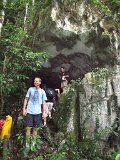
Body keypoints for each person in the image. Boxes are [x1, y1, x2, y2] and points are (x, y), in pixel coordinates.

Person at [22, 77, 47, 147]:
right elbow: (26, 99)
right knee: (28, 128)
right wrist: (24, 109)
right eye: (34, 81)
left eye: (36, 81)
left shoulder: (42, 91)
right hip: (29, 111)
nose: (35, 82)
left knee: (35, 129)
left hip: (38, 112)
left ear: (40, 82)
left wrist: (44, 112)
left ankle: (33, 143)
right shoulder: (30, 89)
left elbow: (44, 102)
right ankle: (27, 143)